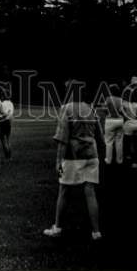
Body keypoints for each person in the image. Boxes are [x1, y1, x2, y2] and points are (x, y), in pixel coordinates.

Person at [44, 83, 105, 241]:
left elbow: (62, 139)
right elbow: (101, 137)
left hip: (71, 158)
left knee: (63, 190)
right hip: (92, 156)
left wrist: (58, 162)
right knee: (90, 192)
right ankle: (96, 232)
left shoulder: (67, 108)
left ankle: (57, 227)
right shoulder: (91, 109)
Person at [101, 83, 127, 165]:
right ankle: (119, 160)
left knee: (109, 142)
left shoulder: (108, 99)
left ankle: (108, 160)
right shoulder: (120, 100)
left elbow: (103, 109)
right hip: (119, 120)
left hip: (110, 120)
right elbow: (123, 111)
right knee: (119, 142)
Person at [0, 89, 15, 161]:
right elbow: (11, 114)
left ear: (3, 96)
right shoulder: (11, 103)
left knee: (3, 140)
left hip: (3, 122)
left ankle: (7, 156)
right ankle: (10, 156)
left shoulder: (2, 104)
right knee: (8, 140)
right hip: (9, 122)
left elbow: (2, 114)